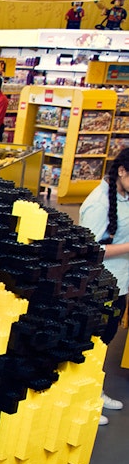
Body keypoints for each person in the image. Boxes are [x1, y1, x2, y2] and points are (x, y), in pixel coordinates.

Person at [78, 147, 129, 426]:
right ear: (122, 171)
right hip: (98, 286)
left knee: (104, 344)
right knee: (91, 345)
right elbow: (91, 249)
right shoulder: (99, 202)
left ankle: (94, 391)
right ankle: (84, 400)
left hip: (118, 285)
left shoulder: (123, 196)